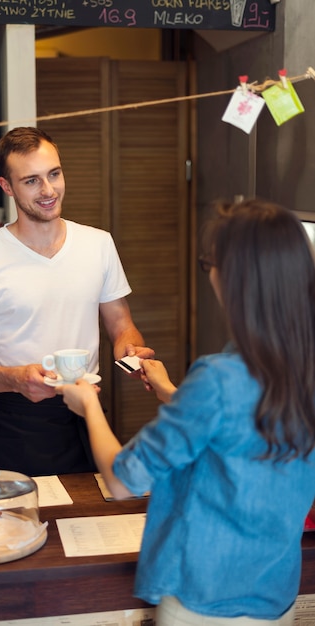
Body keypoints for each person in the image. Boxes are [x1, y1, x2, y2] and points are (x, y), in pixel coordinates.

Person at [59, 198, 315, 626]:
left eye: (209, 263)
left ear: (233, 278)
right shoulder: (299, 367)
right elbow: (243, 426)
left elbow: (123, 480)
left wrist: (87, 403)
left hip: (205, 604)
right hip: (276, 599)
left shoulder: (217, 379)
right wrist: (170, 391)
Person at [0, 126, 154, 477]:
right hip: (12, 424)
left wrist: (130, 348)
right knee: (14, 527)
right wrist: (16, 379)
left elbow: (122, 325)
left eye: (54, 174)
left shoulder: (98, 244)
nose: (48, 191)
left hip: (86, 415)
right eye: (31, 181)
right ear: (7, 187)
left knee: (92, 527)